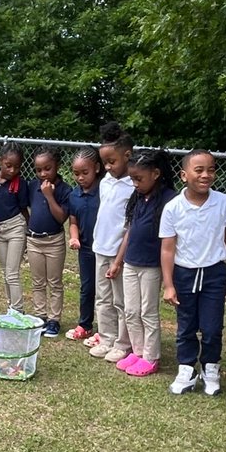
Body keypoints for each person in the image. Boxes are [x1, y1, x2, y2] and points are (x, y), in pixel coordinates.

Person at [160, 151, 226, 395]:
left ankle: (210, 367)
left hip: (214, 273)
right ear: (184, 175)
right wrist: (169, 284)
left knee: (212, 326)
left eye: (211, 170)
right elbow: (167, 248)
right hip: (184, 274)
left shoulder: (222, 201)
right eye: (199, 170)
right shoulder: (173, 207)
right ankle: (186, 368)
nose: (206, 175)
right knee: (186, 325)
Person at [110, 148, 176, 376]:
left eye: (139, 178)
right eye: (132, 179)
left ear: (156, 174)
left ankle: (151, 356)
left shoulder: (169, 199)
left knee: (147, 312)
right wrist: (118, 261)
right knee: (130, 310)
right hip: (131, 263)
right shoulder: (138, 197)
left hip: (151, 266)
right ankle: (137, 352)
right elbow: (130, 232)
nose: (135, 183)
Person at [88, 134, 135, 361]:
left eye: (111, 161)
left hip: (120, 253)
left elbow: (129, 226)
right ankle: (106, 338)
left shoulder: (134, 185)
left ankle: (123, 343)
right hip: (101, 248)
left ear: (127, 155)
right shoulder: (106, 181)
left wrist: (119, 258)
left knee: (121, 300)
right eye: (104, 161)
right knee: (102, 298)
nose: (107, 166)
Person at [26, 148, 72, 337]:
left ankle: (54, 320)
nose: (43, 173)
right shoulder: (32, 186)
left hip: (54, 241)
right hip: (34, 240)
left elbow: (61, 217)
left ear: (57, 167)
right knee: (37, 282)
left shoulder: (64, 190)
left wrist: (49, 196)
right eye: (38, 170)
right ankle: (41, 316)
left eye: (48, 168)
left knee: (54, 282)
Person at [65, 146, 102, 340]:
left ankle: (106, 331)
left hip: (105, 250)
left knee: (106, 292)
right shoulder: (74, 195)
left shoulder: (105, 191)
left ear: (96, 168)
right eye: (76, 173)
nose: (80, 178)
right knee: (87, 288)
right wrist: (74, 237)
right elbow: (73, 221)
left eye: (84, 173)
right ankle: (85, 325)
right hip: (86, 249)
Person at [0, 143, 29, 312]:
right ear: (0, 161)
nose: (13, 170)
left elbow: (23, 209)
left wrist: (29, 230)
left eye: (17, 167)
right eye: (8, 166)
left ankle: (18, 310)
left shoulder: (19, 184)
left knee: (12, 273)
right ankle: (11, 306)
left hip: (16, 228)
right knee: (5, 272)